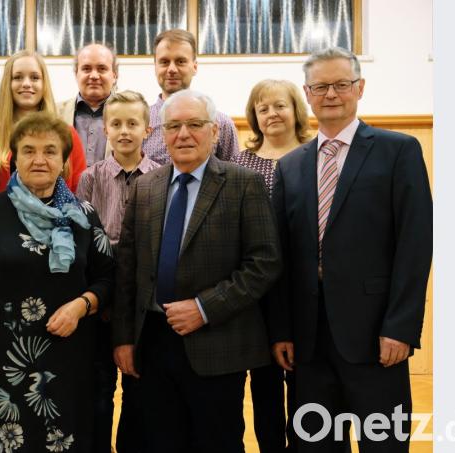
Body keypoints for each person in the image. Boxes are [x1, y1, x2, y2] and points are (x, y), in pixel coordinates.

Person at [268, 47, 433, 452]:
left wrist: (401, 327)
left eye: (342, 84)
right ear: (307, 93)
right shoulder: (289, 167)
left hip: (376, 337)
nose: (331, 94)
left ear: (360, 87)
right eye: (321, 86)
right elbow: (281, 258)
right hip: (308, 342)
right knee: (315, 444)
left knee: (384, 443)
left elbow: (415, 244)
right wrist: (283, 330)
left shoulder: (399, 150)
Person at [112, 89, 282, 453]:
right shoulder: (145, 188)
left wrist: (204, 308)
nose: (183, 134)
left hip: (217, 346)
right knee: (160, 441)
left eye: (194, 124)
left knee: (216, 443)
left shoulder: (243, 184)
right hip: (154, 346)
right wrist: (125, 338)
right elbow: (128, 270)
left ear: (215, 132)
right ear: (161, 133)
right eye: (173, 126)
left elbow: (264, 263)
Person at [0, 112, 115, 452]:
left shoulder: (84, 215)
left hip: (69, 360)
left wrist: (81, 305)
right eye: (28, 150)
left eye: (50, 150)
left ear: (65, 161)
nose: (39, 159)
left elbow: (107, 279)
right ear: (14, 159)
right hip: (1, 363)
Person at [76, 90, 159, 453]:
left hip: (143, 301)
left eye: (132, 123)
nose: (124, 131)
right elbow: (84, 240)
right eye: (116, 124)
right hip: (100, 297)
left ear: (148, 129)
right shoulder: (90, 178)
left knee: (140, 392)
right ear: (105, 129)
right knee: (97, 390)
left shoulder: (161, 177)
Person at [233, 79, 311, 453]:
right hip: (255, 294)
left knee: (304, 384)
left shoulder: (315, 155)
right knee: (263, 386)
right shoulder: (240, 162)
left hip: (303, 289)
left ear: (296, 110)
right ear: (254, 117)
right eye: (263, 108)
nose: (271, 114)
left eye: (279, 105)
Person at [0, 50, 87, 215]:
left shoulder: (68, 134)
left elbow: (78, 192)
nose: (26, 83)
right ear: (7, 84)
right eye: (18, 77)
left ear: (44, 84)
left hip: (55, 232)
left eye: (35, 77)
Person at [142, 29, 240, 165]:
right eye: (164, 62)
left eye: (180, 61)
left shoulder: (222, 124)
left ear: (194, 66)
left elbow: (234, 179)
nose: (171, 69)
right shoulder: (140, 123)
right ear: (155, 67)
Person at [58, 43, 118, 166]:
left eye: (102, 68)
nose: (94, 76)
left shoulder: (130, 115)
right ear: (76, 74)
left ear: (114, 75)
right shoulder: (55, 114)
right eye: (86, 68)